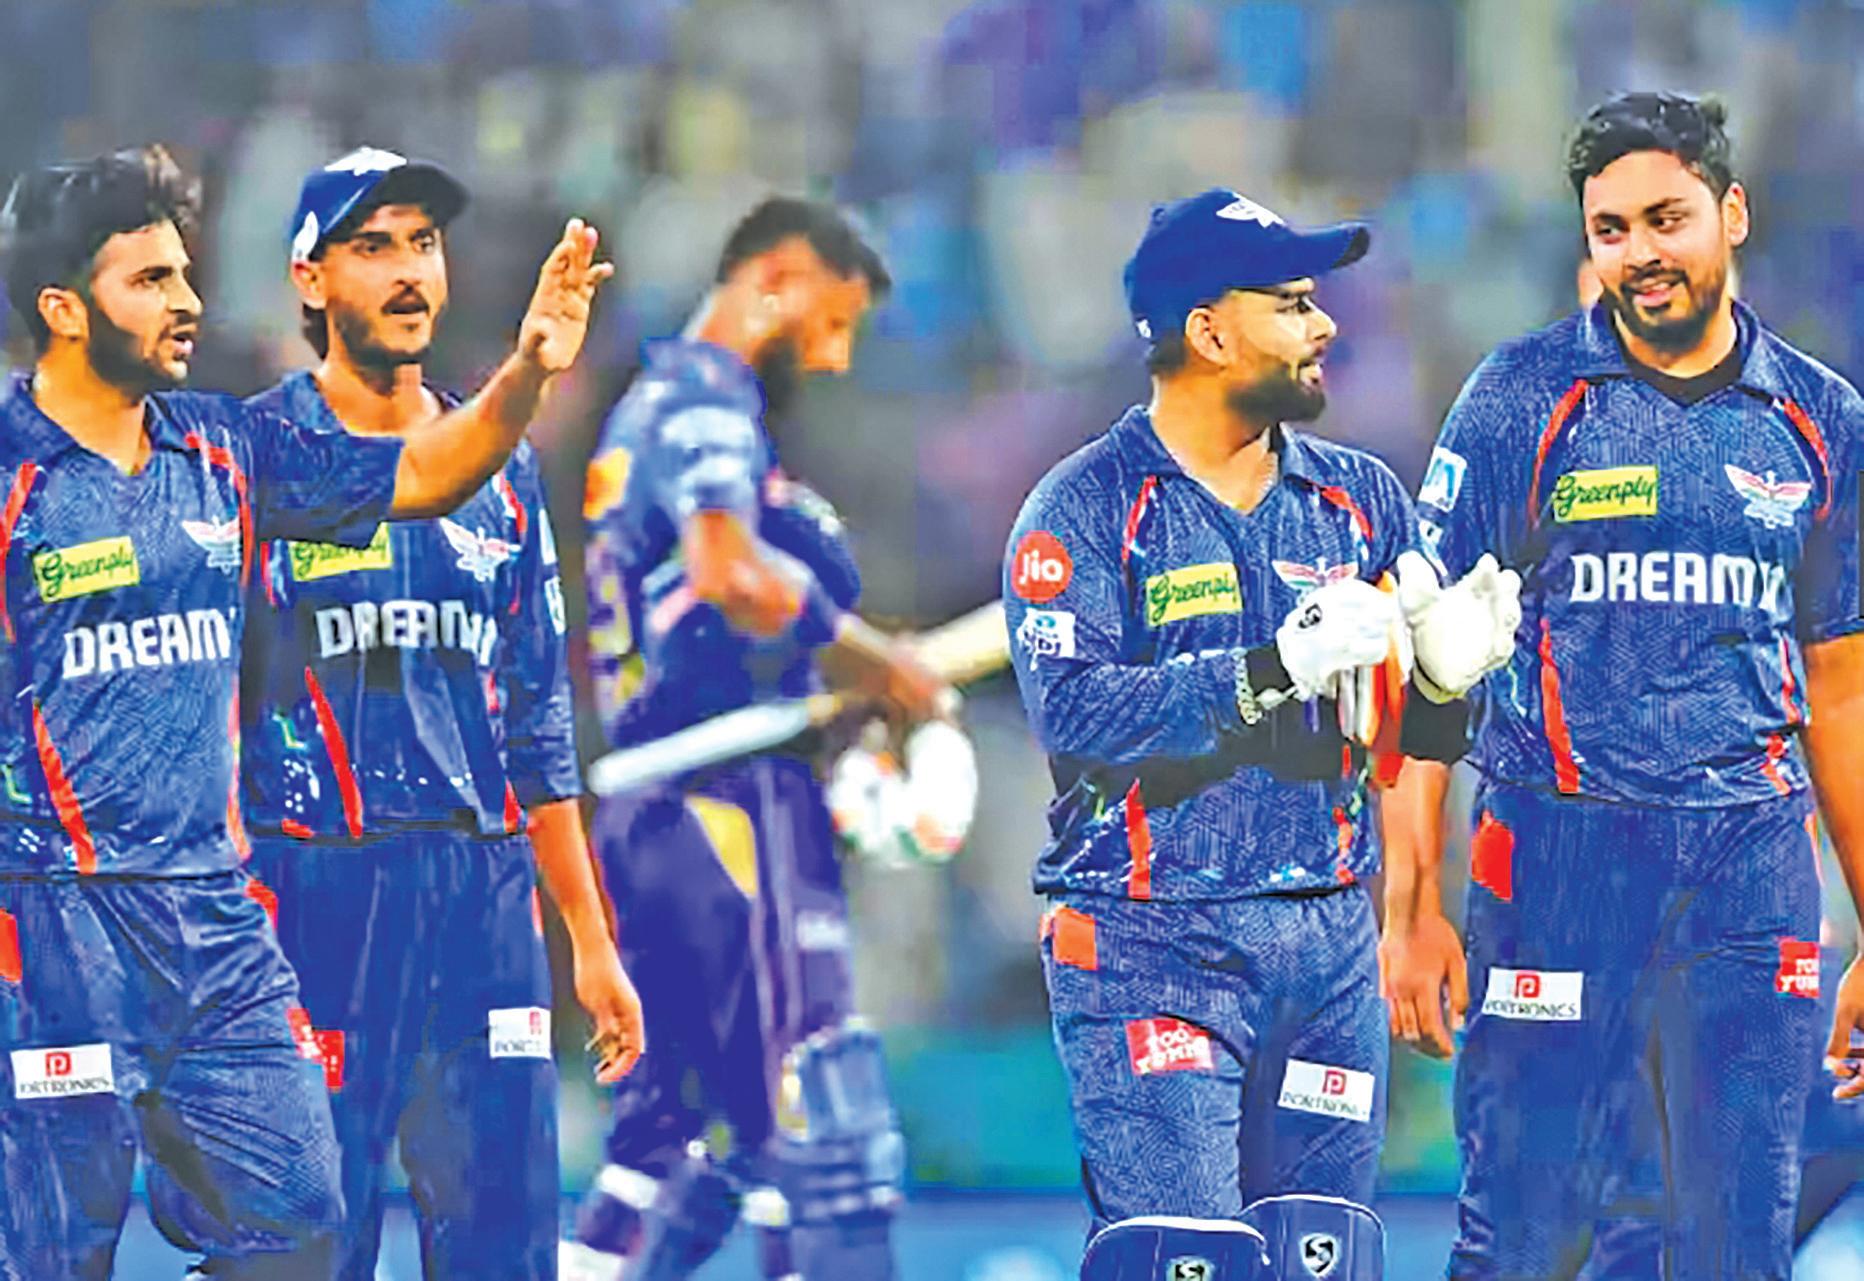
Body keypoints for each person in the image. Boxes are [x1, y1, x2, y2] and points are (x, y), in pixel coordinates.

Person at [0, 144, 606, 1279]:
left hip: (218, 925)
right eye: (152, 281)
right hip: (56, 919)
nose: (188, 302)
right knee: (52, 1252)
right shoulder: (11, 481)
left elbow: (425, 474)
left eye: (185, 274)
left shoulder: (225, 447)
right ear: (63, 309)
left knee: (303, 1224)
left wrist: (529, 369)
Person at [1380, 92, 1864, 1279]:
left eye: (1665, 218)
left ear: (1730, 213)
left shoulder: (1821, 421)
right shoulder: (1519, 399)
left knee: (1734, 1247)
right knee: (1528, 1244)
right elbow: (1428, 670)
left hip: (1748, 874)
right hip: (1557, 860)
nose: (1639, 252)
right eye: (1610, 229)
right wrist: (1411, 905)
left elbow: (1842, 689)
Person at [999, 188, 1517, 1263]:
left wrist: (1444, 678)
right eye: (1290, 304)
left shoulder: (1361, 499)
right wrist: (1272, 668)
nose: (1323, 325)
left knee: (1326, 1257)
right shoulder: (1085, 507)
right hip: (1148, 943)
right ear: (1209, 332)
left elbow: (1410, 739)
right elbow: (1077, 717)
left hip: (1327, 951)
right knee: (1187, 1259)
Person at [235, 146, 643, 1281]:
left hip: (481, 903)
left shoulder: (506, 475)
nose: (408, 269)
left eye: (422, 242)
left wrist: (590, 941)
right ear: (310, 279)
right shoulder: (253, 457)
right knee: (308, 1251)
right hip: (312, 892)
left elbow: (536, 723)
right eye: (372, 247)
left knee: (504, 1252)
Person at [563, 196, 947, 1281]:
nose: (833, 360)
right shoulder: (704, 402)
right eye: (834, 323)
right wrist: (877, 661)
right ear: (774, 278)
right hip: (725, 793)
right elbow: (730, 571)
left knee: (682, 1141)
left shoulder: (651, 407)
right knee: (817, 1116)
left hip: (657, 798)